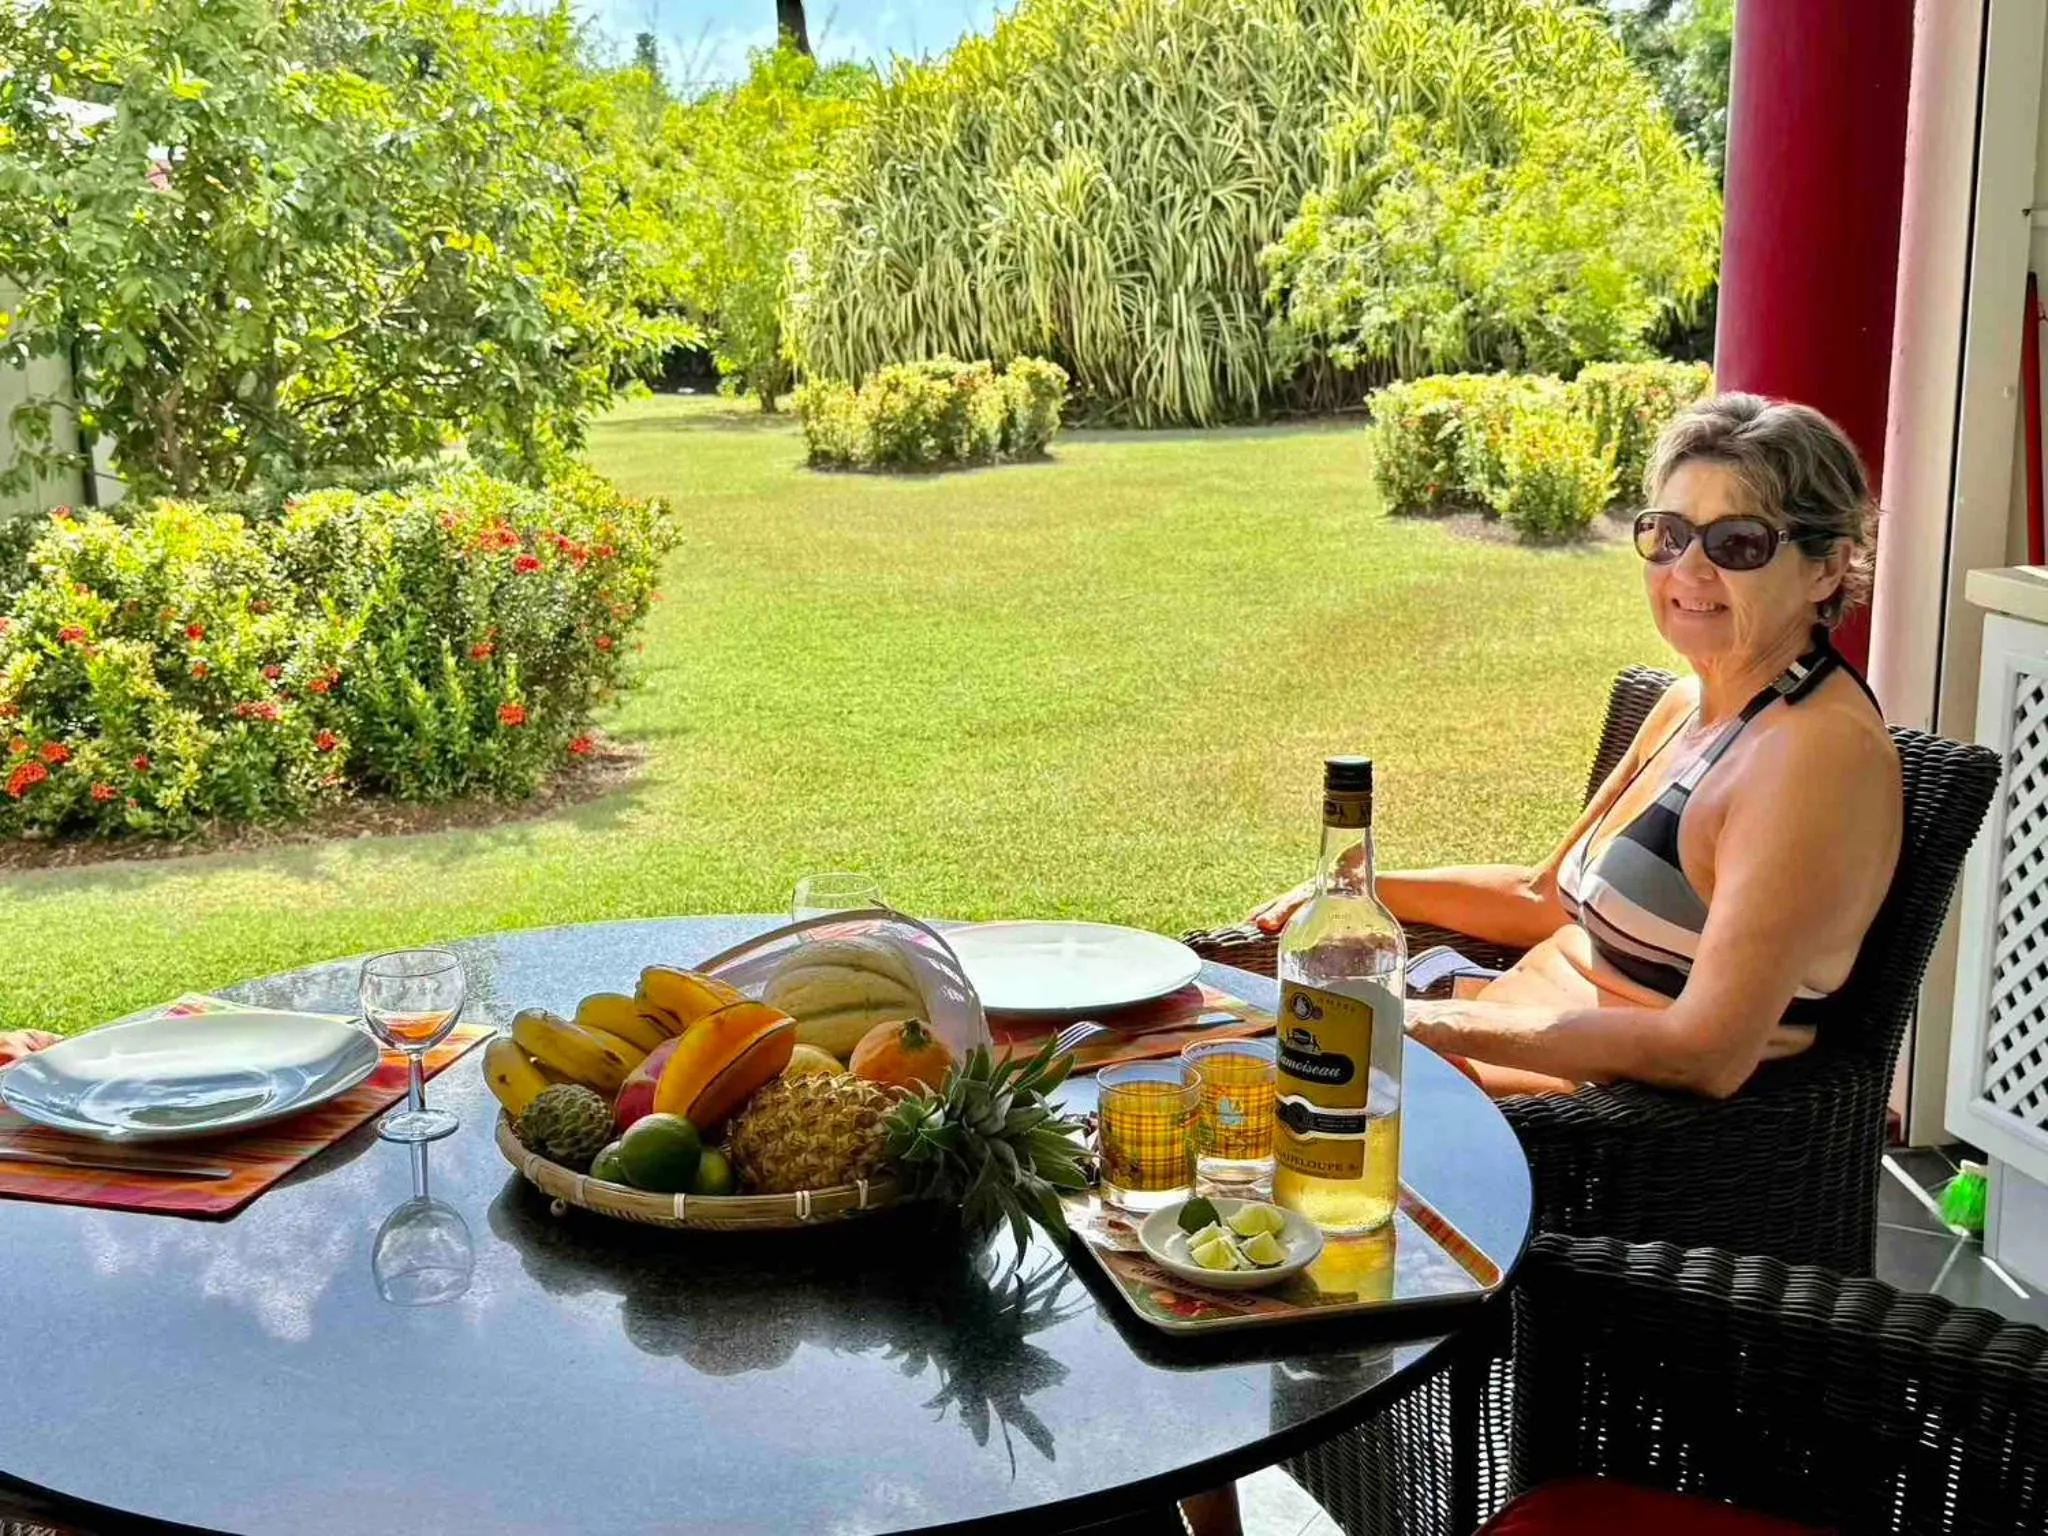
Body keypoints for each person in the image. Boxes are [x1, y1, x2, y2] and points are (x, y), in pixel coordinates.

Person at [1250, 393, 1902, 1098]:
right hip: (1485, 1031)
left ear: (1826, 570)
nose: (1688, 570)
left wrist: (1414, 1026)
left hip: (1576, 1133)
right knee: (1186, 1037)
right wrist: (1358, 892)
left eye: (1737, 543)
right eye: (1668, 534)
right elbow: (1544, 899)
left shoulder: (1811, 756)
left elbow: (1706, 1052)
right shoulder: (1692, 702)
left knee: (1227, 1088)